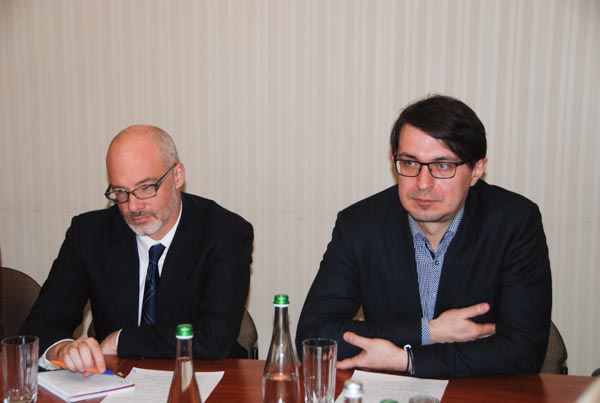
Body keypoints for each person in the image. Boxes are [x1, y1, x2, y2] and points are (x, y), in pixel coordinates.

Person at [295, 95, 552, 378]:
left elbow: (525, 351)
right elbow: (314, 337)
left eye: (443, 166)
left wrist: (408, 360)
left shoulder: (514, 223)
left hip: (478, 390)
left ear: (477, 169)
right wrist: (429, 332)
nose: (423, 183)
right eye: (410, 163)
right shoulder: (360, 226)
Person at [21, 125, 253, 376]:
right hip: (115, 382)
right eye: (121, 191)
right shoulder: (88, 234)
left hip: (202, 380)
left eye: (146, 187)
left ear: (177, 175)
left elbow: (215, 336)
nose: (133, 206)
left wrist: (122, 340)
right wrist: (60, 349)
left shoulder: (224, 232)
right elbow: (40, 327)